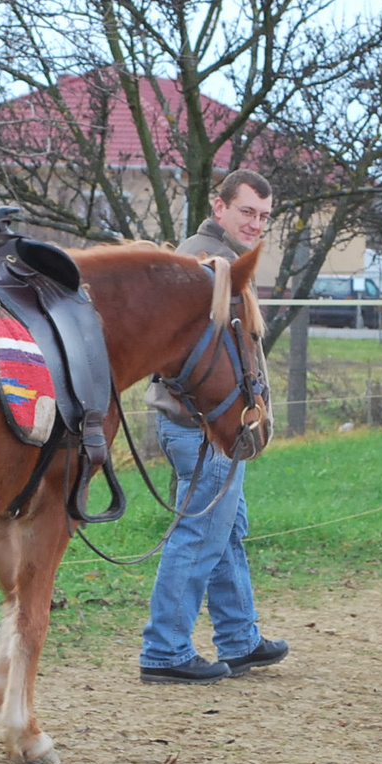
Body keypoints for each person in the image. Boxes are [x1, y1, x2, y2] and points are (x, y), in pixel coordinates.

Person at [138, 169, 289, 684]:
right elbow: (185, 359)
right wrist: (222, 419)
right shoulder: (205, 263)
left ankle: (239, 639)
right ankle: (164, 650)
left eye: (265, 216)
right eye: (247, 211)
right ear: (219, 206)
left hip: (210, 425)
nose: (256, 223)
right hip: (203, 427)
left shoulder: (223, 261)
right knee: (201, 532)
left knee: (225, 531)